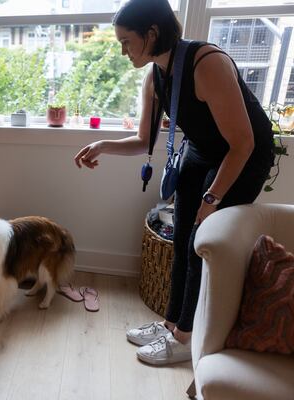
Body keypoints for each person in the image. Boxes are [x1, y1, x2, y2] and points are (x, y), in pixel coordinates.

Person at [74, 0, 274, 365]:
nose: (122, 51)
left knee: (202, 242)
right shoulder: (155, 75)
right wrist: (102, 145)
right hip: (200, 151)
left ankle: (185, 337)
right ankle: (171, 323)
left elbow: (243, 143)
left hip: (243, 157)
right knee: (182, 239)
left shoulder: (207, 62)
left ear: (151, 34)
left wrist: (211, 199)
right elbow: (142, 140)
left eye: (126, 41)